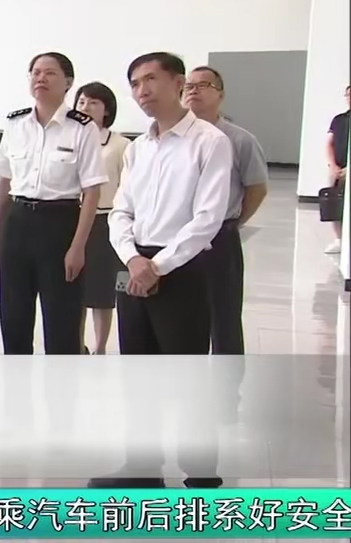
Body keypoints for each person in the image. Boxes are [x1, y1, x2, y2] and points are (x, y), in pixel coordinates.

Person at [96, 51, 233, 490]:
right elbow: (121, 211)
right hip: (134, 264)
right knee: (137, 373)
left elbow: (208, 218)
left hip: (183, 267)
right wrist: (133, 259)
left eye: (150, 79)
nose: (142, 91)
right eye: (135, 83)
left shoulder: (209, 142)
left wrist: (157, 265)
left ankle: (201, 473)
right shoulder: (138, 148)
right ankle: (142, 468)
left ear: (178, 84)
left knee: (186, 374)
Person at [0, 52, 107, 355]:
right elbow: (4, 182)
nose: (40, 78)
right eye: (35, 72)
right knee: (13, 316)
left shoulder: (82, 128)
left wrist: (78, 247)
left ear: (68, 82)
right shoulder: (15, 124)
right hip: (17, 222)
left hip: (60, 224)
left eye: (49, 73)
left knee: (62, 319)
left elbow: (92, 192)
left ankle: (61, 381)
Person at [182, 66, 268, 354]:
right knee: (182, 313)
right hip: (176, 233)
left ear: (220, 95)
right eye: (188, 86)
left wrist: (234, 222)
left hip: (218, 237)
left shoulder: (240, 140)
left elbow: (257, 188)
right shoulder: (174, 137)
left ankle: (227, 376)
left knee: (224, 315)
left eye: (203, 85)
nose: (193, 90)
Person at [73, 82, 129, 354]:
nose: (85, 107)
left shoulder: (121, 145)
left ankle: (100, 347)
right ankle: (76, 345)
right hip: (72, 219)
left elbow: (128, 188)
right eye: (81, 101)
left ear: (107, 110)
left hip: (105, 222)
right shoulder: (69, 138)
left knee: (102, 291)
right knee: (74, 289)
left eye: (93, 102)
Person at [325, 85, 349, 255]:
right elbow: (329, 143)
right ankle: (339, 239)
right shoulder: (339, 120)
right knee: (333, 202)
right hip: (337, 169)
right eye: (348, 95)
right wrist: (332, 165)